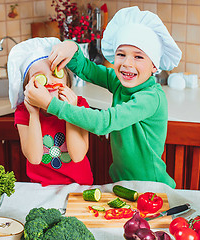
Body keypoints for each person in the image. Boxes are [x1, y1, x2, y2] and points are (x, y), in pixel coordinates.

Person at [23, 7, 182, 188]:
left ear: (154, 66)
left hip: (151, 186)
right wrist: (72, 47)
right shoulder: (119, 83)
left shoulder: (151, 98)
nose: (127, 64)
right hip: (121, 183)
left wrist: (51, 104)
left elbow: (103, 122)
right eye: (121, 54)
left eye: (138, 57)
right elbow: (88, 69)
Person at [7, 37, 93, 186]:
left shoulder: (79, 105)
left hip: (79, 186)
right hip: (41, 188)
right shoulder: (24, 112)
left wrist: (69, 111)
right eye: (40, 77)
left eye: (55, 73)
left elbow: (78, 155)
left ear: (67, 80)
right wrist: (34, 114)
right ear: (28, 87)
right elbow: (34, 158)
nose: (50, 81)